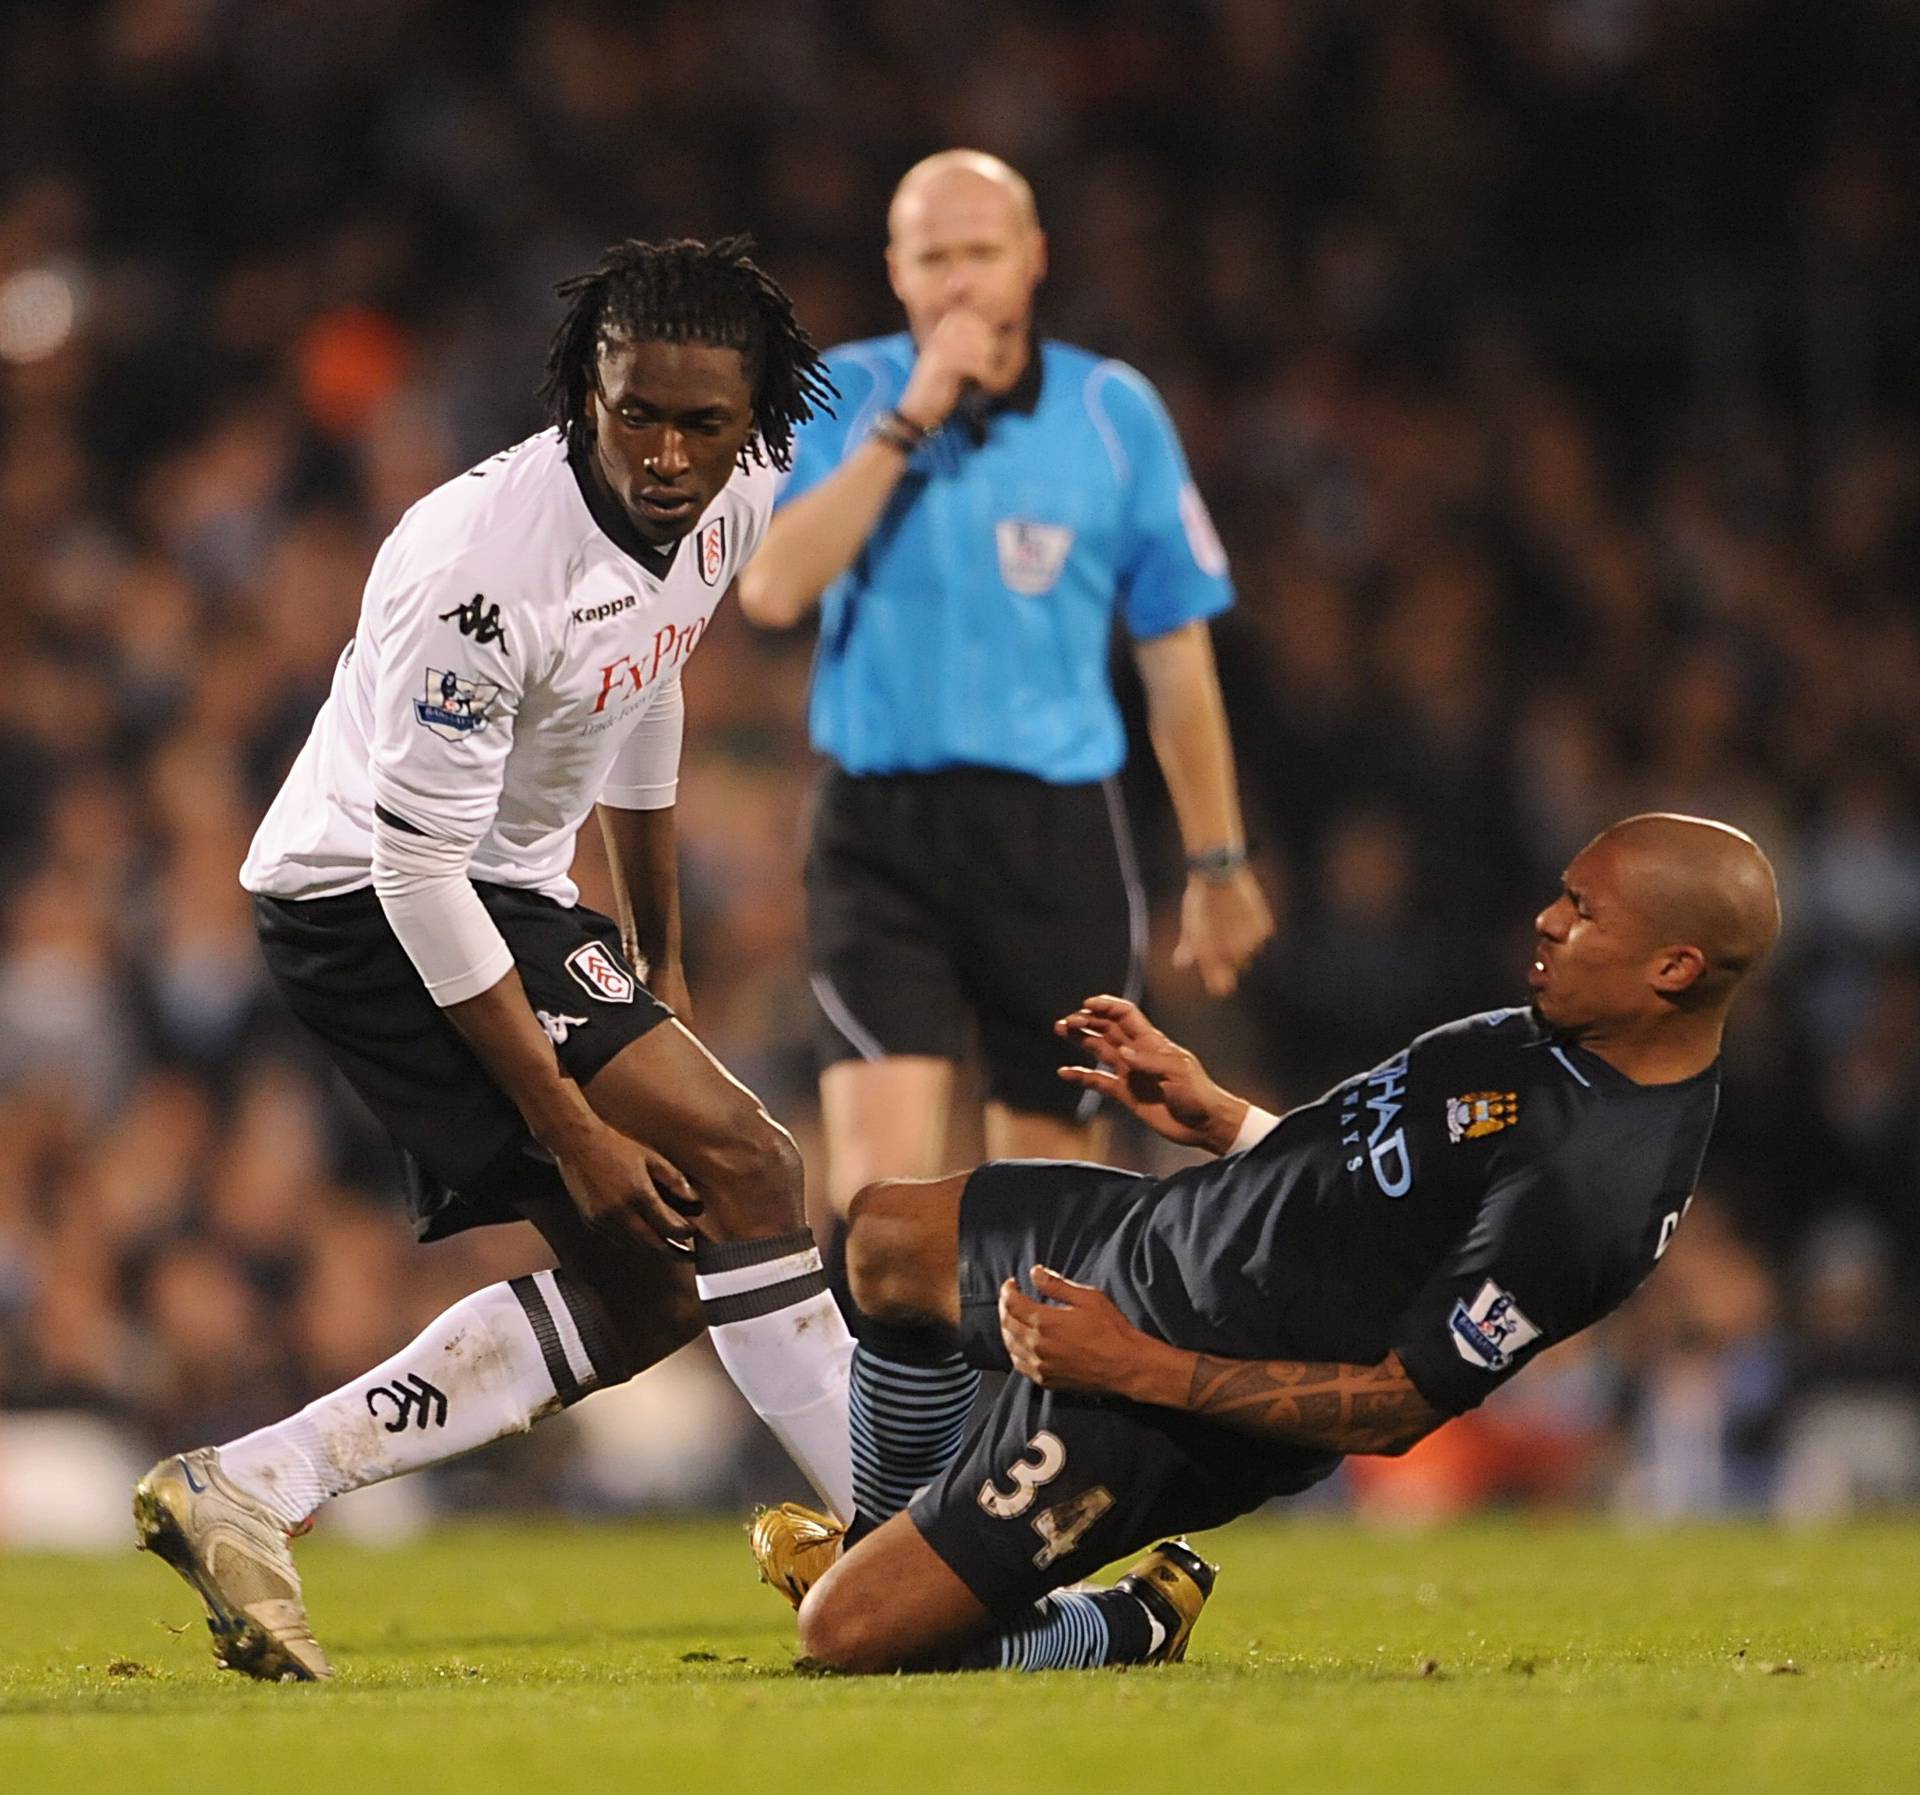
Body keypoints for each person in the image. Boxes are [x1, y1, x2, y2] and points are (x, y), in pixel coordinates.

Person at [133, 237, 857, 1683]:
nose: (663, 453)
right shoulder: (474, 570)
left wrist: (656, 953)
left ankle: (255, 1482)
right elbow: (413, 869)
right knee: (751, 1169)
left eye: (700, 425)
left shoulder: (744, 489)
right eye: (631, 412)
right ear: (583, 388)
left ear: (758, 419)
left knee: (655, 1285)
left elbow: (647, 681)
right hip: (369, 896)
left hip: (505, 887)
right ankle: (921, 1537)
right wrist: (574, 1123)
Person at [751, 814, 1781, 1673]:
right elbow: (1367, 1179)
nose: (1548, 919)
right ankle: (891, 1541)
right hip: (1168, 1231)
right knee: (885, 1236)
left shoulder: (1596, 1185)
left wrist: (1137, 1366)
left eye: (1584, 911)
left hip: (1172, 1392)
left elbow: (1397, 1403)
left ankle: (1127, 1623)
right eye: (1563, 890)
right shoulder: (1556, 1028)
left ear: (1674, 966)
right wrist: (1219, 1118)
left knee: (848, 1634)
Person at [736, 150, 1273, 1213]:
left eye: (981, 252)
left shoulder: (1116, 414)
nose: (959, 281)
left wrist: (1217, 861)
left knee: (1049, 1201)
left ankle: (1018, 1389)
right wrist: (909, 421)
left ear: (1033, 260)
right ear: (896, 269)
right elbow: (772, 589)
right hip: (880, 831)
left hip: (1053, 835)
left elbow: (1177, 662)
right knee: (878, 1201)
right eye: (933, 256)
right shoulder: (840, 392)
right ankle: (904, 1387)